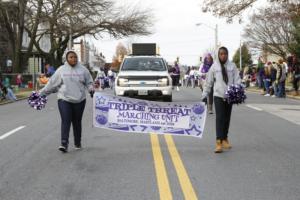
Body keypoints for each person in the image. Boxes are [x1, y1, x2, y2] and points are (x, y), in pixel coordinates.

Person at [39, 51, 94, 153]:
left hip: (79, 99)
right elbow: (51, 83)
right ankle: (64, 143)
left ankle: (77, 142)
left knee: (77, 122)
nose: (73, 59)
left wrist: (91, 89)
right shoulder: (61, 70)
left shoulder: (83, 70)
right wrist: (41, 93)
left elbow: (89, 82)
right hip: (64, 99)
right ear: (67, 59)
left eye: (75, 57)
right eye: (71, 57)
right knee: (66, 120)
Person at [201, 47, 241, 153]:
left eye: (225, 54)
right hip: (218, 95)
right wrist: (204, 95)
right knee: (220, 118)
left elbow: (237, 80)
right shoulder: (214, 67)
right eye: (221, 54)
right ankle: (218, 141)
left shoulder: (232, 66)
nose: (223, 55)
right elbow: (208, 82)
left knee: (227, 118)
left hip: (230, 95)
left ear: (227, 55)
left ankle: (224, 139)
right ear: (218, 55)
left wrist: (237, 90)